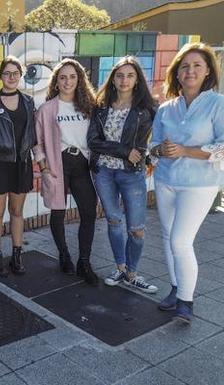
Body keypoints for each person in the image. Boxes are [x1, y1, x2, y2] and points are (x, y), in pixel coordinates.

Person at [150, 43, 224, 323]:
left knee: (181, 240)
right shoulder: (167, 108)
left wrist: (186, 151)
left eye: (197, 65)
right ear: (177, 73)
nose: (190, 70)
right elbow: (152, 145)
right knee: (169, 238)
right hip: (166, 179)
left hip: (199, 184)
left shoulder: (218, 103)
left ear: (207, 72)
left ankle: (186, 302)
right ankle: (175, 288)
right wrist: (161, 151)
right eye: (184, 66)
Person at [87, 57, 158, 294]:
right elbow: (93, 142)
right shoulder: (101, 106)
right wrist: (125, 151)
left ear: (137, 79)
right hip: (104, 172)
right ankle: (120, 267)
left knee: (136, 228)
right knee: (114, 221)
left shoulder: (147, 109)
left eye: (130, 75)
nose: (124, 80)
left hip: (132, 174)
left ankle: (132, 273)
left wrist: (149, 156)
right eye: (119, 75)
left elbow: (158, 138)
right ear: (113, 79)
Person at [33, 58, 99, 285]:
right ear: (56, 81)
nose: (68, 81)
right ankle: (64, 255)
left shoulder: (89, 106)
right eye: (63, 77)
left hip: (82, 164)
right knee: (58, 212)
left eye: (72, 77)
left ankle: (84, 261)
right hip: (57, 163)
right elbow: (37, 142)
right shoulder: (47, 109)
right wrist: (43, 167)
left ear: (79, 79)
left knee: (89, 212)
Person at [0, 56, 36, 277]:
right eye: (7, 73)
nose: (11, 77)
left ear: (20, 75)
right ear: (0, 76)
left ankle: (17, 256)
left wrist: (40, 163)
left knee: (17, 212)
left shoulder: (28, 102)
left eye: (16, 73)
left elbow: (32, 135)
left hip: (21, 164)